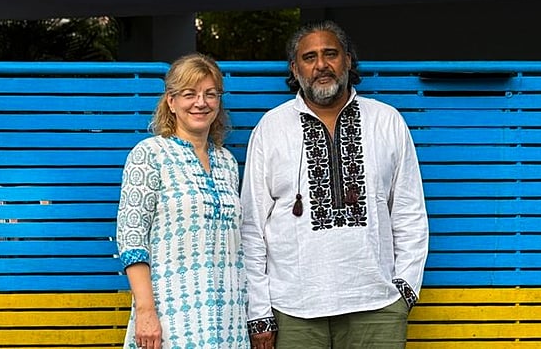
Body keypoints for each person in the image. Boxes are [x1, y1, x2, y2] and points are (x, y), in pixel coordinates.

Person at [240, 21, 429, 349]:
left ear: (349, 60)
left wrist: (405, 291)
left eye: (331, 54)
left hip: (377, 306)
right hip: (293, 311)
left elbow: (410, 214)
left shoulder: (386, 121)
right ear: (294, 68)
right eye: (309, 57)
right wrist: (260, 313)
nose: (321, 65)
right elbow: (252, 228)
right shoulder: (271, 129)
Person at [116, 53, 249, 349]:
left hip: (228, 320)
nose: (200, 102)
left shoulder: (226, 162)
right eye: (189, 94)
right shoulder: (149, 154)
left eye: (210, 94)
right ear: (171, 101)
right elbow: (131, 237)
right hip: (172, 317)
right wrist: (146, 312)